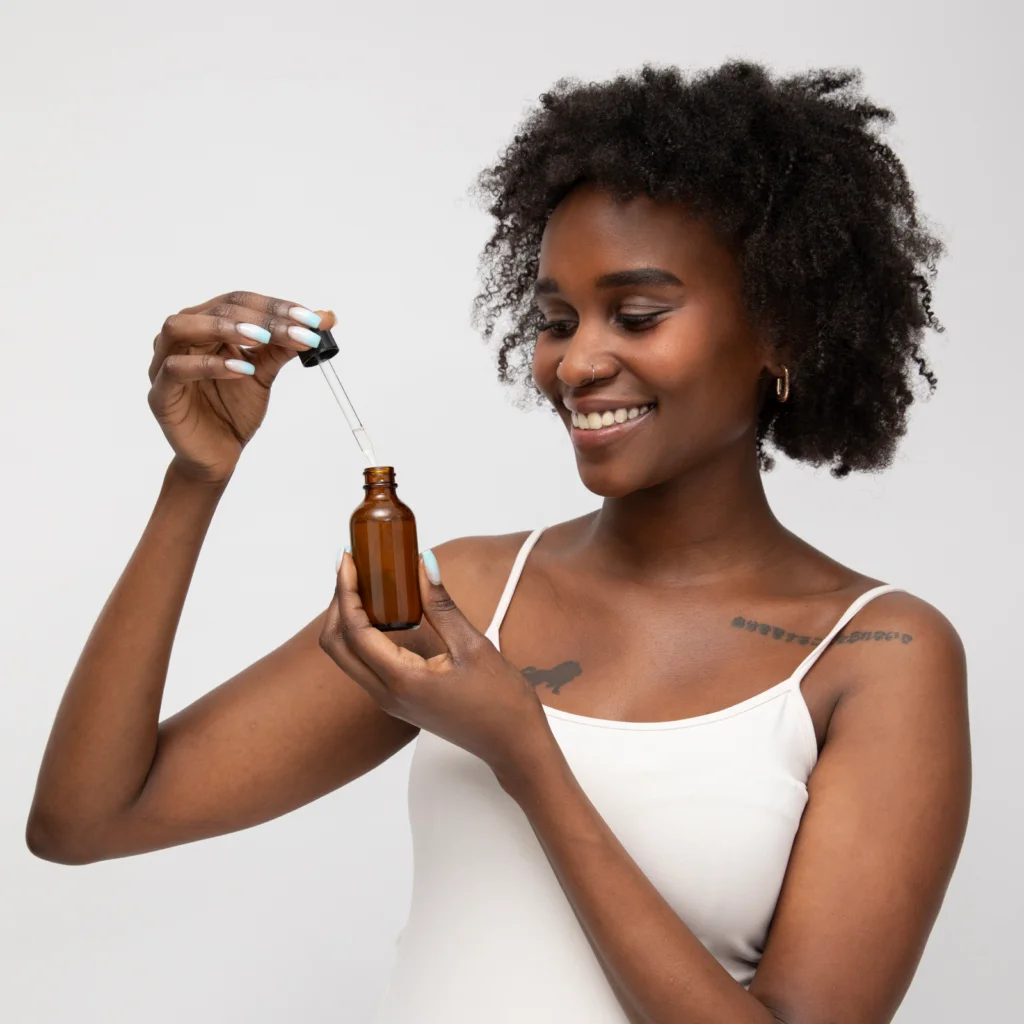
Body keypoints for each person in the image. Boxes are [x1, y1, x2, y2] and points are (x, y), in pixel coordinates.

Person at [26, 60, 971, 1024]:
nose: (578, 361)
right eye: (556, 319)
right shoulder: (471, 596)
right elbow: (87, 818)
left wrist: (524, 750)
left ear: (784, 331)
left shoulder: (876, 654)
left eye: (637, 315)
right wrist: (197, 479)